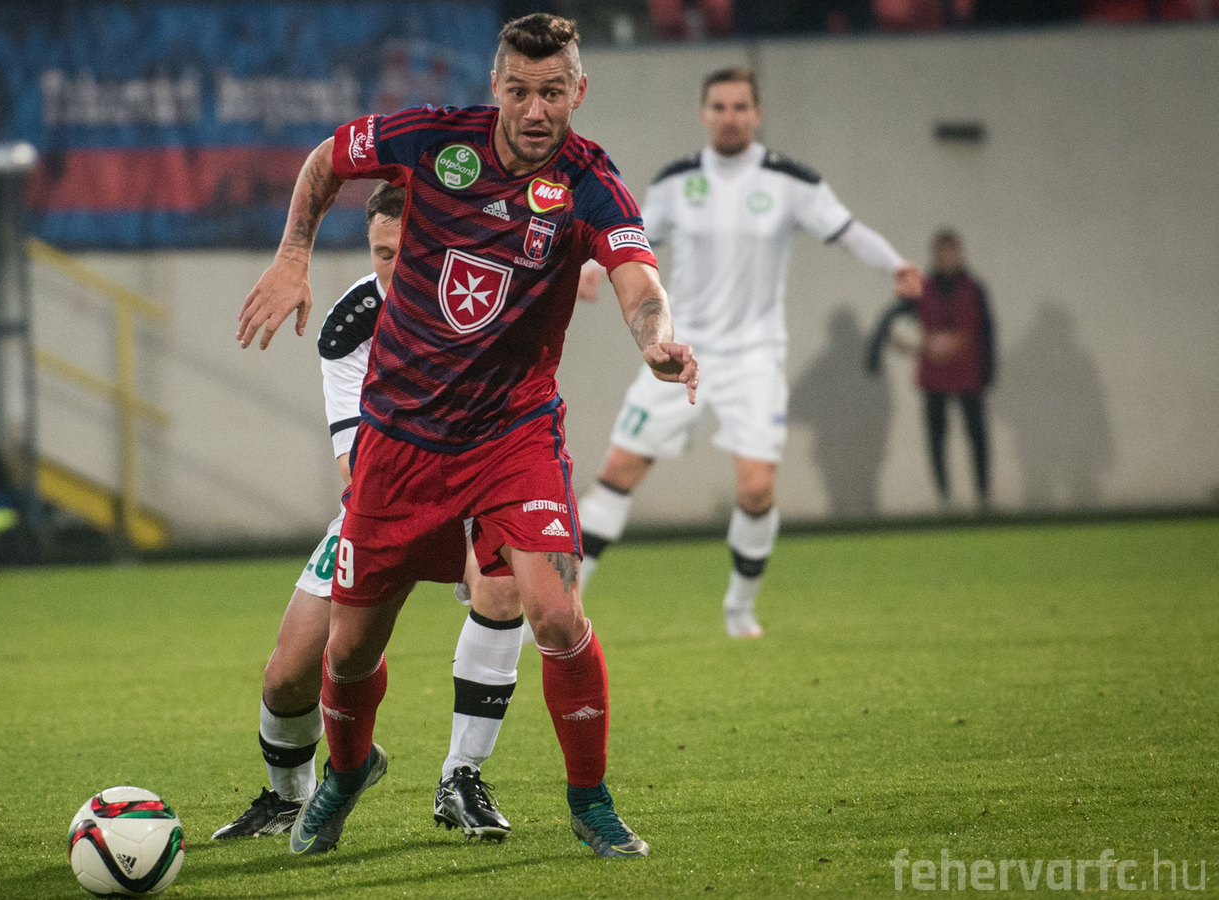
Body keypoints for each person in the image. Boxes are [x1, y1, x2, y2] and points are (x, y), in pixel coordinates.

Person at [238, 14, 698, 859]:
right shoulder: (433, 140)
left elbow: (638, 281)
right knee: (348, 650)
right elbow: (328, 157)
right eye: (519, 91)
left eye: (552, 92)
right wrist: (293, 254)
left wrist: (656, 339)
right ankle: (347, 771)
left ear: (579, 90)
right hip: (400, 439)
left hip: (512, 435)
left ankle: (589, 800)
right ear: (496, 87)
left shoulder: (590, 182)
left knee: (556, 614)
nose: (535, 110)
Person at [214, 182, 524, 843]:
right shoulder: (351, 324)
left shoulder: (484, 298)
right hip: (384, 499)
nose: (397, 267)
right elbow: (353, 463)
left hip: (477, 492)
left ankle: (462, 777)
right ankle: (289, 797)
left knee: (505, 592)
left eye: (412, 251)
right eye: (384, 253)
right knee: (290, 673)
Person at [574, 65, 921, 638]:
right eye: (719, 106)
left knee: (757, 488)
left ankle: (739, 608)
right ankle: (566, 605)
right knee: (618, 471)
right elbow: (629, 241)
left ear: (757, 114)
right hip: (680, 350)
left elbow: (847, 230)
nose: (729, 117)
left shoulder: (789, 181)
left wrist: (896, 265)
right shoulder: (677, 180)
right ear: (703, 113)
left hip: (755, 358)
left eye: (740, 107)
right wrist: (590, 267)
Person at [913, 230, 995, 507]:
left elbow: (986, 332)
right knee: (936, 437)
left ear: (959, 254)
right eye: (941, 253)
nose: (946, 258)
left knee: (977, 435)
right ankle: (944, 497)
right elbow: (903, 322)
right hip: (934, 377)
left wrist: (988, 372)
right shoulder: (922, 289)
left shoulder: (974, 289)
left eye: (950, 253)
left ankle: (983, 495)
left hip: (968, 375)